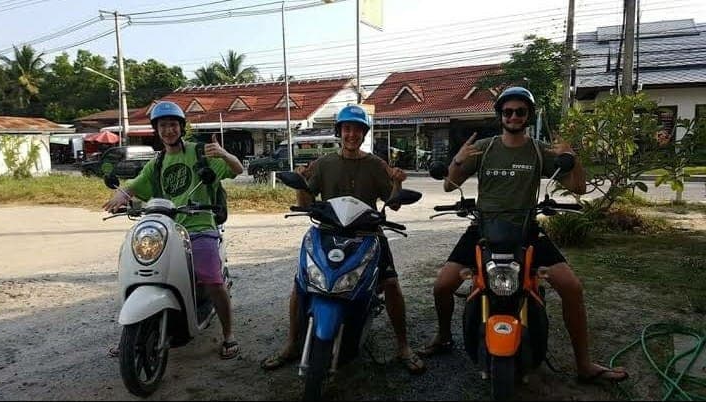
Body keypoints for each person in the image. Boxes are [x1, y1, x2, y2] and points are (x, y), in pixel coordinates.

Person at [417, 87, 629, 384]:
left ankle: (584, 363)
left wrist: (572, 157)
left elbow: (579, 188)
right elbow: (450, 185)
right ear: (500, 115)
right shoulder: (486, 148)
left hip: (527, 230)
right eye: (508, 112)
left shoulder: (539, 150)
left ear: (528, 116)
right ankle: (443, 337)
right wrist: (458, 159)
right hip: (483, 229)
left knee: (572, 287)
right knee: (442, 285)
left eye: (520, 111)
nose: (514, 116)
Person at [260, 104, 426, 375]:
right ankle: (291, 343)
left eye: (357, 130)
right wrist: (301, 184)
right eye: (347, 129)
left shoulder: (375, 164)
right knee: (301, 284)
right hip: (327, 233)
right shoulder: (324, 164)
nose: (351, 134)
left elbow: (392, 205)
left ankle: (403, 346)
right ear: (340, 132)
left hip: (368, 234)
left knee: (392, 284)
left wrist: (397, 182)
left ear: (363, 134)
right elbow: (307, 202)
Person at [102, 101, 244, 360]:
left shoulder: (200, 153)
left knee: (211, 278)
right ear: (157, 130)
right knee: (140, 270)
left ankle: (228, 334)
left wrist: (224, 154)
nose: (168, 130)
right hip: (167, 228)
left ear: (181, 128)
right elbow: (134, 185)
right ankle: (132, 332)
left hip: (200, 226)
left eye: (173, 124)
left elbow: (238, 169)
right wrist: (120, 195)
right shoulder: (156, 163)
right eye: (163, 125)